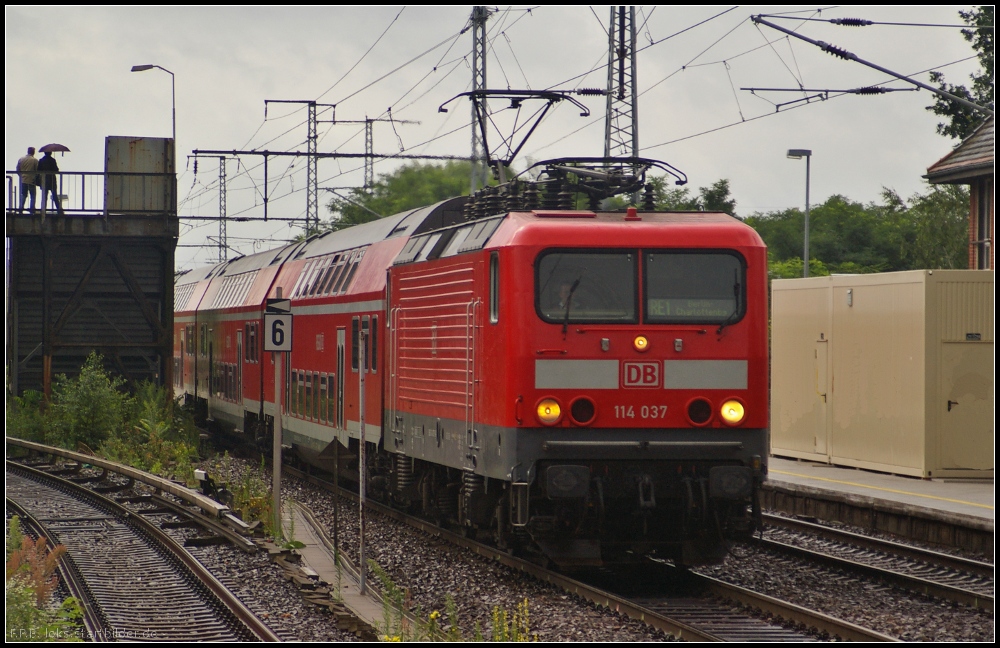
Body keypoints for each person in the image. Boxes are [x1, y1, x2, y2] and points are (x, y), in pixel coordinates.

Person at [37, 150, 64, 214]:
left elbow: (38, 170)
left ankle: (43, 210)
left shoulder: (41, 160)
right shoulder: (52, 160)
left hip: (44, 180)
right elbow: (56, 170)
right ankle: (59, 210)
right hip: (52, 180)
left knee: (44, 196)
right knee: (55, 196)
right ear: (51, 153)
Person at [16, 147, 38, 214]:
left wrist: (21, 176)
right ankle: (32, 210)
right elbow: (37, 170)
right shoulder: (34, 160)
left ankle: (21, 208)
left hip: (23, 180)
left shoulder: (21, 159)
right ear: (33, 152)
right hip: (32, 180)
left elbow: (17, 169)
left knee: (23, 194)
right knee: (33, 195)